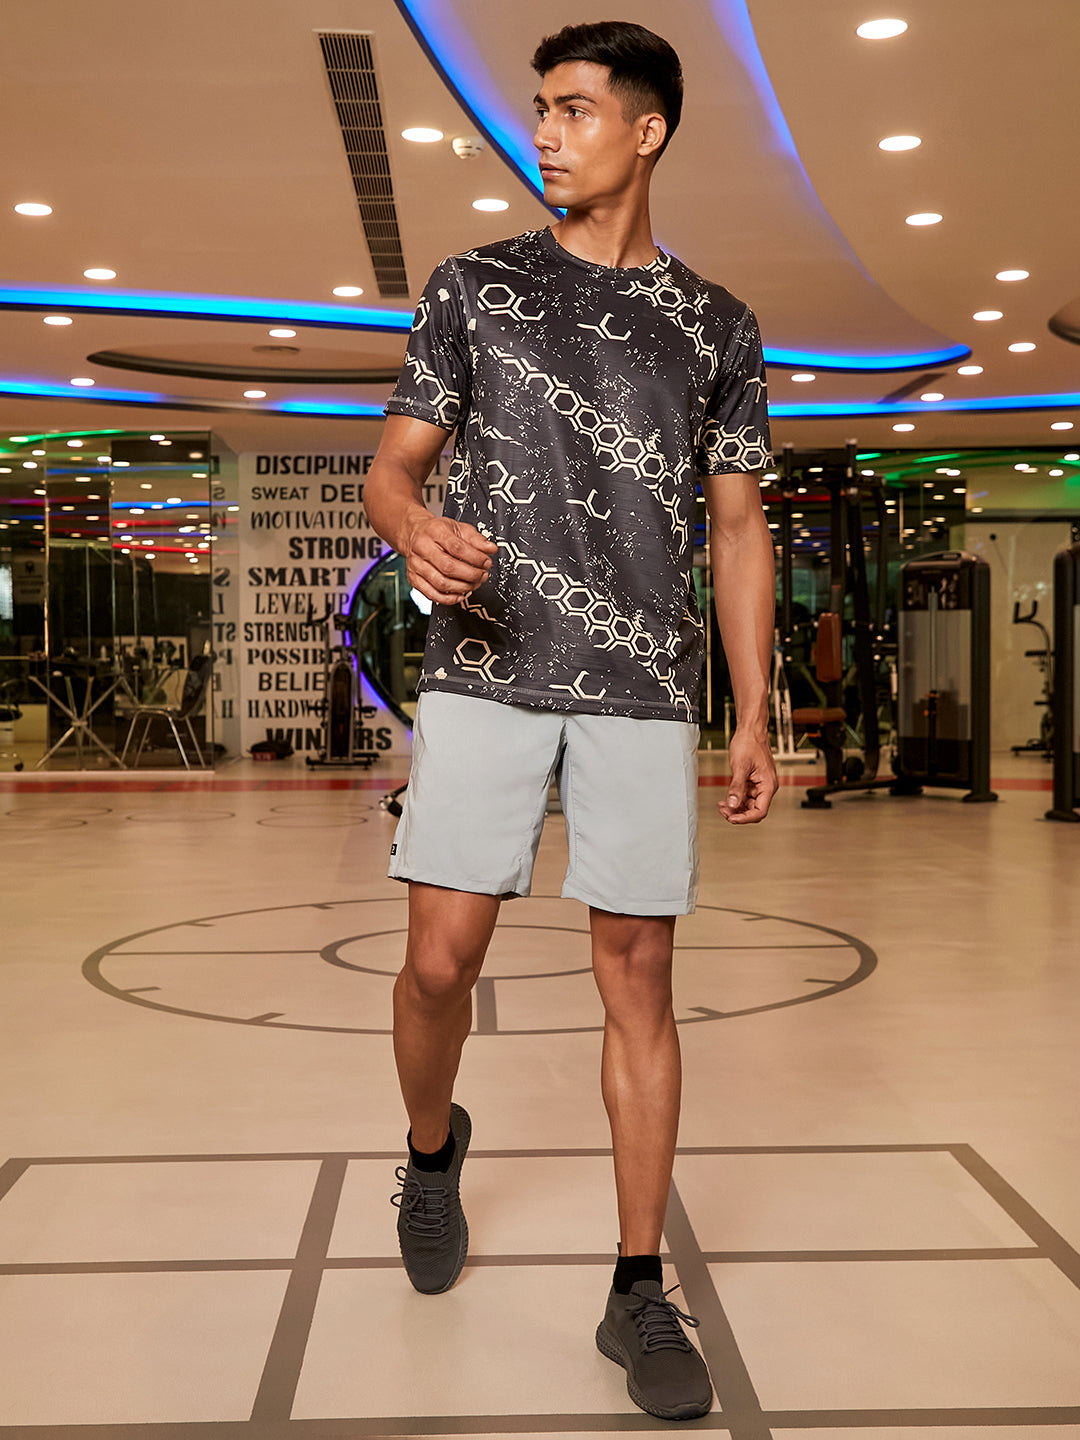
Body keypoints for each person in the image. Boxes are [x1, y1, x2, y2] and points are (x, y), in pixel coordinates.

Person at [363, 19, 777, 1422]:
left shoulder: (718, 325)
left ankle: (636, 1286)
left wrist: (754, 711)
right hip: (485, 667)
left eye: (575, 108)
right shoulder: (474, 288)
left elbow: (738, 530)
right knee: (438, 965)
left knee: (639, 978)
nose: (544, 132)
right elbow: (392, 470)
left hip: (643, 689)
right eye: (540, 108)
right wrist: (412, 526)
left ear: (647, 130)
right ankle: (432, 1152)